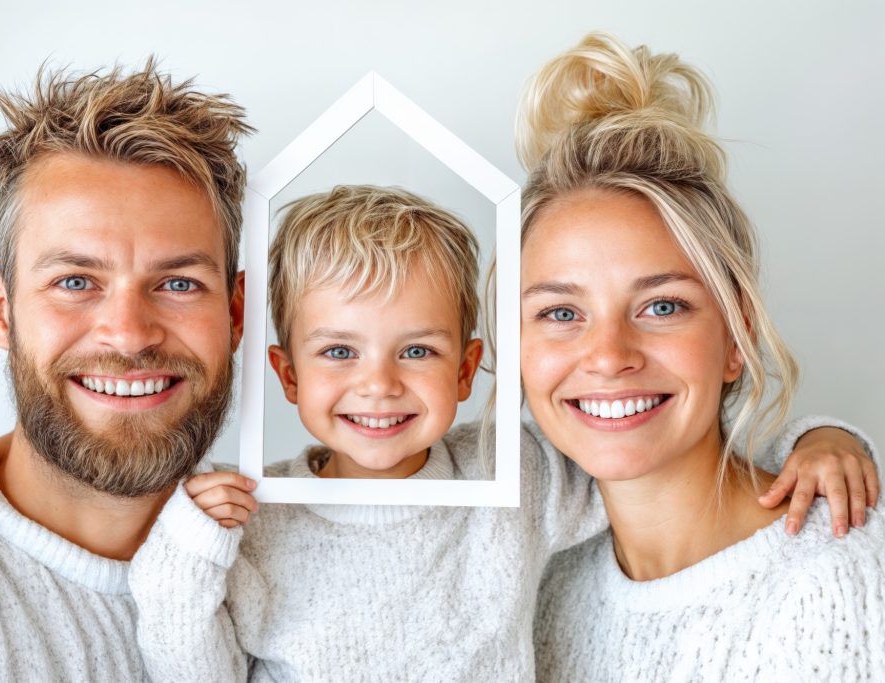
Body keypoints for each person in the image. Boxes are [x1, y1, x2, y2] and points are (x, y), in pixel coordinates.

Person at [131, 185, 876, 682]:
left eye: (417, 351)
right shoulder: (251, 523)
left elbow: (650, 454)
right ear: (287, 374)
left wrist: (817, 442)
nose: (378, 383)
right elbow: (193, 666)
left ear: (467, 369)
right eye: (338, 353)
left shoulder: (514, 474)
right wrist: (183, 552)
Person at [0, 60, 252, 679]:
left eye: (178, 283)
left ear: (234, 313)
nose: (129, 335)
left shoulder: (290, 545)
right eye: (75, 281)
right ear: (1, 311)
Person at [516, 33, 885, 680]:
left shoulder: (837, 579)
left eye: (661, 305)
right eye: (561, 313)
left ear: (737, 336)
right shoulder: (536, 584)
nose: (608, 355)